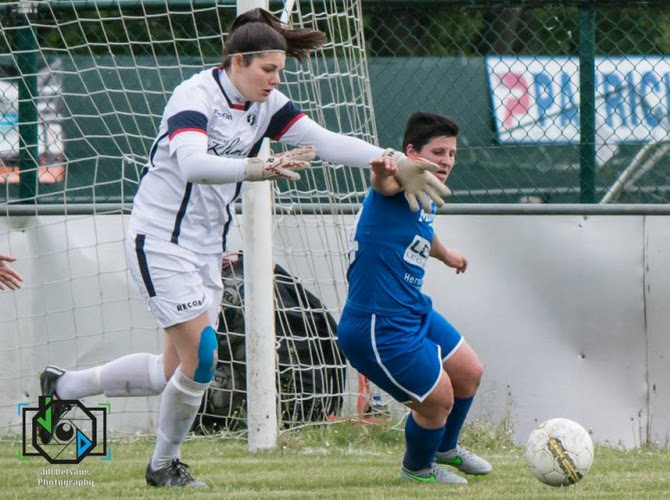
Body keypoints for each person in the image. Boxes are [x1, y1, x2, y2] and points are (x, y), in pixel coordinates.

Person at [38, 9, 448, 488]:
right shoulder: (192, 96)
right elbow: (191, 164)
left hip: (207, 249)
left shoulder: (267, 105)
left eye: (279, 71)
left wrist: (396, 159)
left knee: (174, 370)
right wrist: (258, 169)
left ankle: (63, 386)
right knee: (204, 358)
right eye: (267, 70)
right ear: (237, 62)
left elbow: (323, 141)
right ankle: (163, 465)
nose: (275, 81)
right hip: (160, 242)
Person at [337, 112, 490, 484]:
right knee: (438, 400)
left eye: (452, 154)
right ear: (411, 153)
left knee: (469, 373)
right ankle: (417, 469)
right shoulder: (395, 184)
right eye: (438, 152)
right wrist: (385, 168)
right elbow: (383, 182)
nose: (446, 161)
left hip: (412, 309)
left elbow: (421, 228)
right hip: (377, 325)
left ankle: (445, 448)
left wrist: (446, 253)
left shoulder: (425, 192)